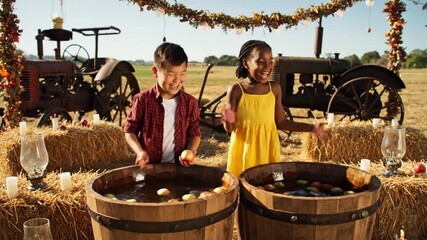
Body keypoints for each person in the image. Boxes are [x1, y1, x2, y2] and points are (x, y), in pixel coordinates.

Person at [222, 40, 328, 177]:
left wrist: (312, 128)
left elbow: (282, 122)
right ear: (245, 63)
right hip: (245, 153)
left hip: (269, 150)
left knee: (274, 183)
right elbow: (229, 129)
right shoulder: (236, 90)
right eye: (261, 62)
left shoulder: (275, 89)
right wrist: (228, 120)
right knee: (244, 185)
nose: (267, 67)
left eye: (270, 61)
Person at [124, 42, 201, 169]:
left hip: (178, 169)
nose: (177, 80)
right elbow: (129, 130)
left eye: (182, 73)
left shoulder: (190, 103)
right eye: (171, 74)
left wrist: (191, 151)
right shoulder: (143, 100)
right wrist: (139, 152)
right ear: (155, 72)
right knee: (144, 188)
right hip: (149, 168)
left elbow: (194, 133)